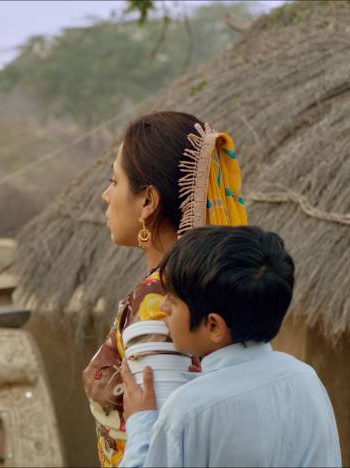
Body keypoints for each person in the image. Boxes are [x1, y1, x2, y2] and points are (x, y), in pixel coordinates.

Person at [82, 111, 248, 466]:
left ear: (148, 201)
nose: (106, 195)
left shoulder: (159, 302)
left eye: (115, 181)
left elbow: (164, 445)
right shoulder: (194, 289)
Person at [119, 226, 341, 467]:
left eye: (173, 298)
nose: (163, 307)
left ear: (214, 326)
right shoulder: (307, 380)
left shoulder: (186, 412)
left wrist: (140, 423)